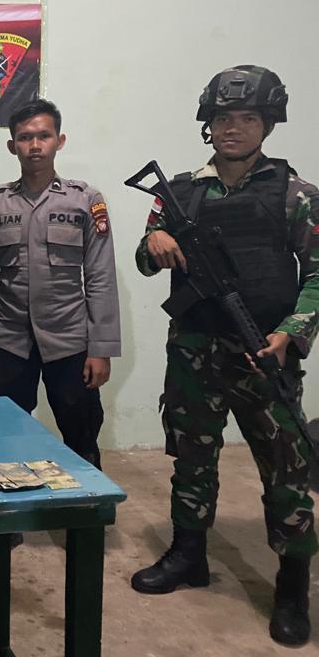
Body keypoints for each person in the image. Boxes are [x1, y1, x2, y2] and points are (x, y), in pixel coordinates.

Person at [130, 65, 318, 646]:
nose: (233, 128)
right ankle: (189, 555)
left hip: (264, 352)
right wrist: (154, 241)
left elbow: (317, 276)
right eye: (222, 118)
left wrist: (291, 333)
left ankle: (292, 585)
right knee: (192, 457)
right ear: (207, 125)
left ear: (268, 124)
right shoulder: (179, 192)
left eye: (247, 118)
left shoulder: (296, 195)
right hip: (194, 349)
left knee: (285, 470)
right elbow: (144, 259)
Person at [0, 98, 120, 471]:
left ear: (59, 141)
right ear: (11, 145)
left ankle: (86, 506)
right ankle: (8, 507)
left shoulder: (85, 201)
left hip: (70, 341)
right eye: (25, 137)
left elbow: (100, 277)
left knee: (82, 436)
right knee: (1, 438)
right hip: (10, 342)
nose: (34, 145)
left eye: (44, 136)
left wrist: (101, 349)